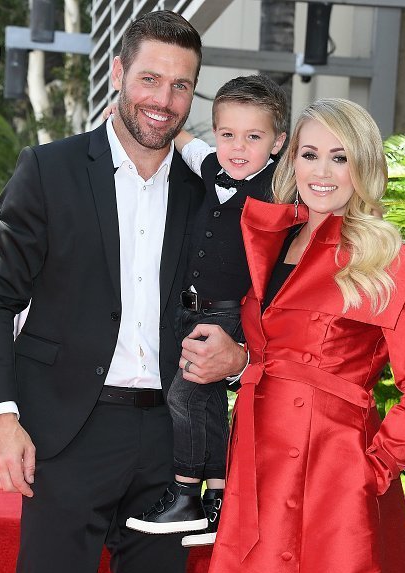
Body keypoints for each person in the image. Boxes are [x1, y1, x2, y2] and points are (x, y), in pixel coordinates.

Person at [0, 11, 246, 573]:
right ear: (118, 73)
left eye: (181, 86)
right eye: (150, 79)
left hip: (173, 444)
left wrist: (239, 356)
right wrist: (0, 417)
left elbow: (242, 300)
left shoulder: (206, 194)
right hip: (65, 433)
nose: (163, 100)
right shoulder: (50, 169)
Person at [203, 98, 405, 573]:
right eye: (309, 153)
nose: (322, 171)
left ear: (364, 166)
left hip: (335, 472)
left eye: (340, 157)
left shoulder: (393, 264)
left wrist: (372, 469)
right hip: (255, 453)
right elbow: (276, 353)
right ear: (291, 158)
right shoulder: (271, 239)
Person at [123, 74, 287, 546]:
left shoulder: (279, 190)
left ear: (277, 142)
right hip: (188, 312)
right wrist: (136, 112)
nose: (237, 148)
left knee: (184, 397)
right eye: (227, 134)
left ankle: (183, 493)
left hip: (227, 316)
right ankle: (218, 498)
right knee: (210, 401)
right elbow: (186, 140)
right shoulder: (211, 165)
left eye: (253, 137)